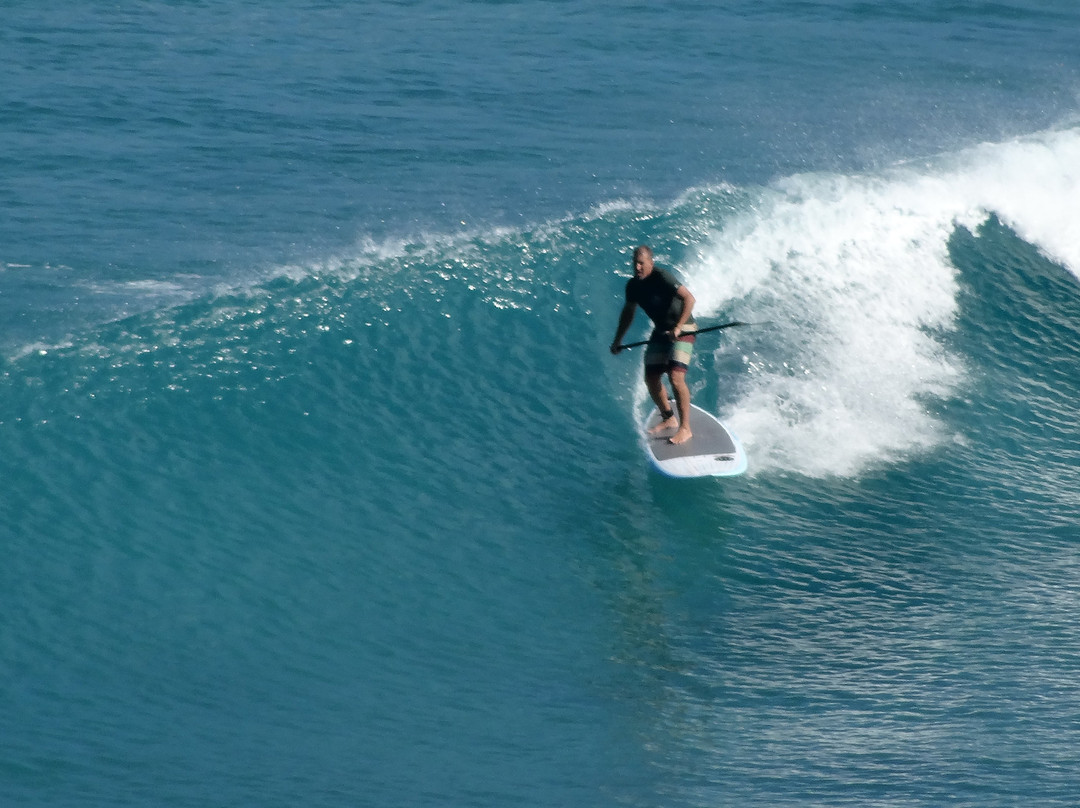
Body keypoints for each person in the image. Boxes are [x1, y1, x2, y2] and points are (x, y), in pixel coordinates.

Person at [610, 245, 697, 445]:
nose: (637, 267)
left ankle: (685, 429)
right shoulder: (633, 286)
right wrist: (618, 340)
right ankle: (669, 418)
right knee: (651, 377)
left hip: (684, 329)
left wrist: (678, 326)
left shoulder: (662, 277)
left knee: (676, 377)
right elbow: (628, 313)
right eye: (635, 264)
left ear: (651, 262)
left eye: (641, 263)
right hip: (660, 331)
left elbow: (690, 299)